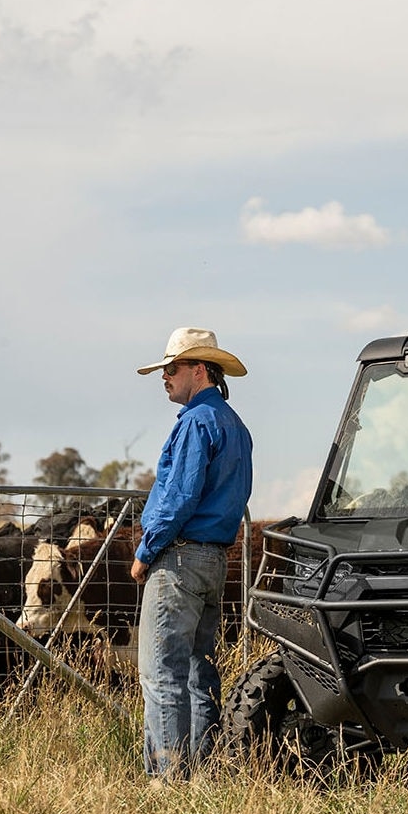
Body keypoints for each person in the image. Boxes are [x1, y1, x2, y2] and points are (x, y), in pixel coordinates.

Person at [131, 327, 253, 779]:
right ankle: (203, 775)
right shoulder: (234, 425)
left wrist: (147, 549)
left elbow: (178, 496)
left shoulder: (195, 423)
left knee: (162, 672)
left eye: (172, 367)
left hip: (179, 559)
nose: (164, 376)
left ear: (198, 370)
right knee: (198, 670)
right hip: (215, 559)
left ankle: (168, 782)